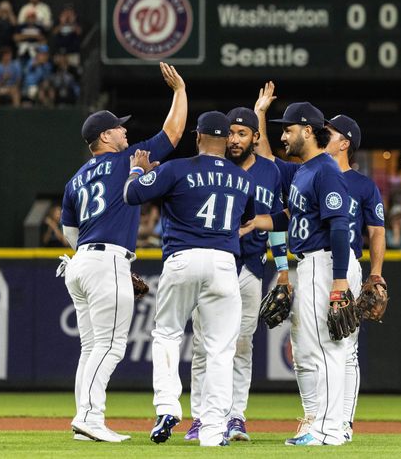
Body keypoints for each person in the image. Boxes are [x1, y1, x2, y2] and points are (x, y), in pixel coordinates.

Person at [59, 62, 186, 443]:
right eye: (119, 126)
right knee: (111, 346)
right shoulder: (124, 161)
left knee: (91, 347)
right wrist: (180, 91)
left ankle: (87, 419)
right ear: (105, 136)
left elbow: (69, 232)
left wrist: (91, 253)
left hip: (79, 262)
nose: (126, 130)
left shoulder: (75, 179)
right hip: (106, 260)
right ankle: (88, 417)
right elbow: (174, 132)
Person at [254, 87, 384, 443]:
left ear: (307, 131)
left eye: (289, 128)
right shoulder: (306, 171)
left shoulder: (326, 171)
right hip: (312, 264)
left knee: (330, 347)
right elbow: (266, 163)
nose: (284, 135)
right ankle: (320, 424)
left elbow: (341, 225)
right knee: (311, 348)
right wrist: (258, 223)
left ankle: (332, 428)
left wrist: (340, 280)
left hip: (327, 263)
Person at [124, 111, 255, 448]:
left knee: (167, 333)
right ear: (227, 140)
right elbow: (247, 218)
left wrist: (139, 169)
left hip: (182, 258)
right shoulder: (243, 179)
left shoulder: (177, 168)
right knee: (220, 350)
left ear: (197, 137)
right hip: (225, 263)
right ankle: (213, 430)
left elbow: (132, 194)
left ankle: (168, 406)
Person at [184, 106, 288, 443]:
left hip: (252, 267)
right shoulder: (210, 168)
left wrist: (283, 268)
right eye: (230, 132)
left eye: (243, 133)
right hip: (214, 262)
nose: (235, 138)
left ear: (256, 138)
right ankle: (200, 417)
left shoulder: (270, 172)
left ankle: (235, 417)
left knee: (242, 345)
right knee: (203, 344)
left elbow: (278, 221)